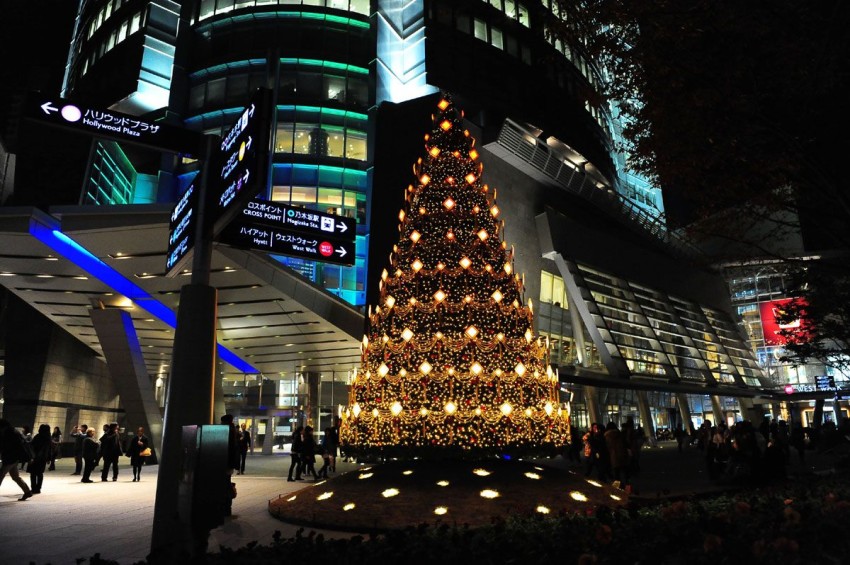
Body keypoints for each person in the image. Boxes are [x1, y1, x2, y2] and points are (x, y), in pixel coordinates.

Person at [0, 419, 34, 500]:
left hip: (10, 458)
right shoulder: (12, 432)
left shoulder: (10, 433)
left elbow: (19, 446)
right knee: (15, 476)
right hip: (13, 458)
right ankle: (27, 491)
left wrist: (28, 458)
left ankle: (27, 492)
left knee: (0, 475)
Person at [221, 414, 240, 517]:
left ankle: (226, 509)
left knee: (225, 485)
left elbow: (229, 449)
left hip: (226, 463)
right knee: (226, 483)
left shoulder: (228, 431)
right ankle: (227, 509)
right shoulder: (233, 430)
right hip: (230, 463)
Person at [28, 424, 53, 494]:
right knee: (40, 473)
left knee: (33, 474)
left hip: (35, 457)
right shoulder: (48, 438)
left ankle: (33, 488)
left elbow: (32, 446)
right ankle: (38, 488)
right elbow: (49, 449)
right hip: (43, 458)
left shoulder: (38, 436)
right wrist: (49, 458)